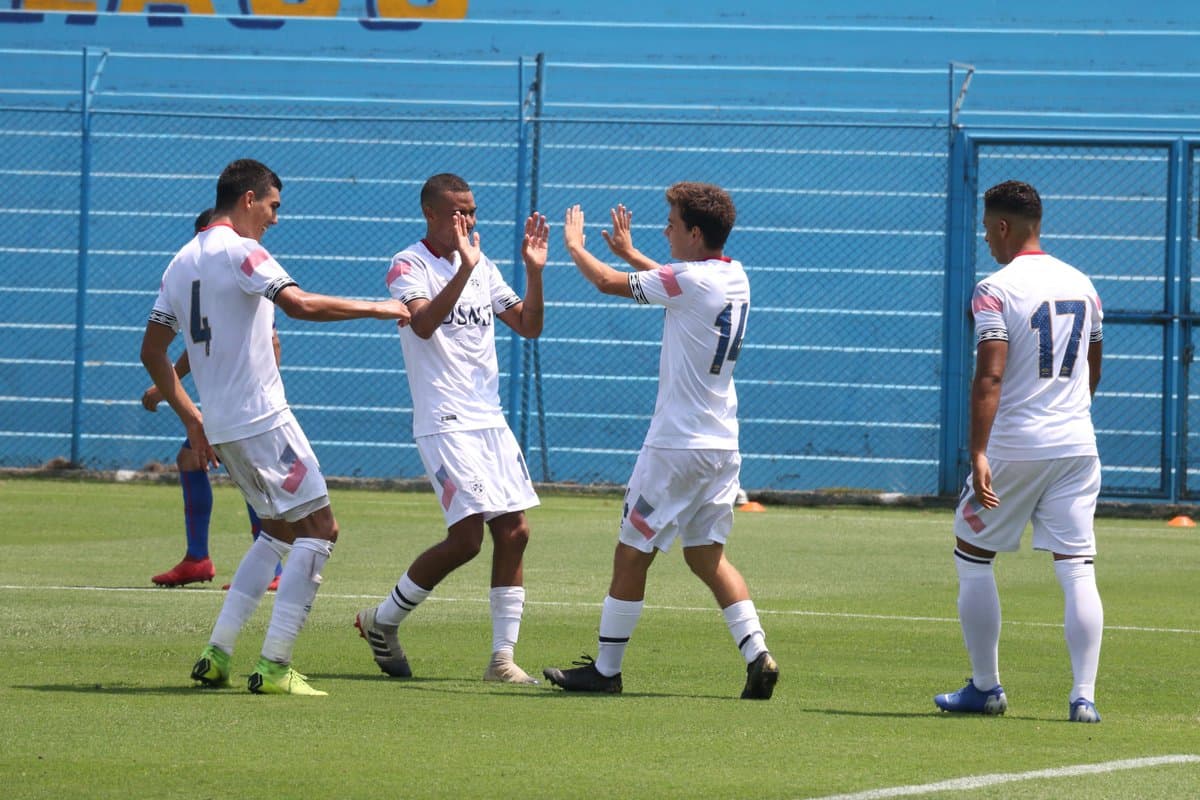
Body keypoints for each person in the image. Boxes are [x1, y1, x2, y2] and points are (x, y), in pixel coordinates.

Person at [141, 159, 411, 696]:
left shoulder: (180, 262)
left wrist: (193, 418)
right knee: (323, 529)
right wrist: (381, 308)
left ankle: (216, 654)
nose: (274, 219)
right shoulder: (242, 252)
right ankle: (275, 663)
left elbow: (152, 352)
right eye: (272, 206)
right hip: (262, 418)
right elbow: (300, 304)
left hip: (222, 424)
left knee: (278, 532)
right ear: (247, 200)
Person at [543, 183, 779, 699]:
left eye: (672, 223)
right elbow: (680, 285)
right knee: (706, 558)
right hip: (721, 446)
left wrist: (575, 247)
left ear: (695, 234)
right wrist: (631, 254)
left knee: (631, 554)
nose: (665, 229)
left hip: (676, 448)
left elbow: (610, 283)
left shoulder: (688, 280)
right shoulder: (734, 274)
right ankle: (758, 653)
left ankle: (606, 671)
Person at [354, 173, 547, 684]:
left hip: (489, 419)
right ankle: (383, 620)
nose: (469, 220)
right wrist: (464, 268)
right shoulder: (407, 264)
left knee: (515, 531)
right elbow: (421, 322)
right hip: (444, 420)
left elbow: (527, 324)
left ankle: (501, 660)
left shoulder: (482, 265)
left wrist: (534, 272)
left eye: (474, 211)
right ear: (432, 215)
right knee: (466, 539)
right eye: (459, 212)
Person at [934, 180, 1104, 723]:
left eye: (987, 229)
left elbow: (990, 374)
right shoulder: (1084, 285)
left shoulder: (995, 288)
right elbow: (1092, 367)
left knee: (972, 552)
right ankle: (1083, 696)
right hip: (1077, 444)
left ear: (1004, 226)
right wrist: (1070, 414)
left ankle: (986, 687)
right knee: (1077, 566)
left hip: (1016, 445)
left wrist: (978, 451)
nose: (986, 239)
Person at [143, 208, 283, 591]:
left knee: (248, 471)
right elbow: (201, 338)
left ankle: (269, 569)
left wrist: (266, 390)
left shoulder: (235, 267)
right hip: (229, 399)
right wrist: (166, 383)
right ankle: (198, 558)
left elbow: (270, 340)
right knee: (192, 457)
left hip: (248, 401)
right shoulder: (211, 275)